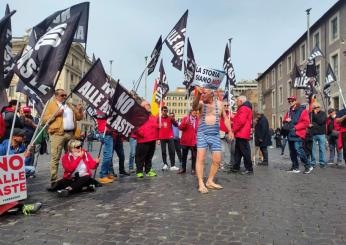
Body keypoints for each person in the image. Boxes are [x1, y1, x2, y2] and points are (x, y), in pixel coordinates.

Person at [192, 87, 231, 194]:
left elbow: (226, 118)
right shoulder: (200, 103)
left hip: (215, 135)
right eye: (202, 93)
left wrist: (230, 130)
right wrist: (198, 95)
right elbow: (194, 107)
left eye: (204, 93)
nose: (203, 94)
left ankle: (209, 181)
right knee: (200, 159)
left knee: (217, 160)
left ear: (212, 93)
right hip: (202, 134)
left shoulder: (220, 104)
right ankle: (201, 183)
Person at [43, 89, 83, 187]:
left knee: (71, 156)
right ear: (56, 96)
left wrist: (79, 109)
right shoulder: (51, 105)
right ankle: (54, 180)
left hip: (70, 134)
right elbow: (44, 120)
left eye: (65, 95)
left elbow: (78, 118)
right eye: (62, 95)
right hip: (57, 134)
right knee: (55, 157)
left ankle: (68, 176)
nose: (65, 97)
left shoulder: (69, 105)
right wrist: (56, 114)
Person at [0, 128, 41, 216]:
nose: (24, 137)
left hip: (14, 170)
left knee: (31, 169)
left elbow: (23, 164)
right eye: (22, 136)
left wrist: (27, 154)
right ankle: (21, 207)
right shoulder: (3, 147)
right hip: (4, 172)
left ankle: (17, 192)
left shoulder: (21, 146)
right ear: (14, 137)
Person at [283, 96, 312, 174]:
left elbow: (306, 122)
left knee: (298, 149)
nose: (290, 102)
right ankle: (295, 167)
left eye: (292, 100)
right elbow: (284, 120)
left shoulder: (302, 110)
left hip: (298, 133)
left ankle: (308, 165)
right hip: (290, 133)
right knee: (292, 152)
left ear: (295, 101)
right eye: (289, 101)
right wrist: (286, 120)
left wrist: (295, 128)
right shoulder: (289, 111)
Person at [134, 101, 158, 178]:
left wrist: (158, 126)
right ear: (143, 107)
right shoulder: (138, 116)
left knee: (149, 156)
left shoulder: (152, 116)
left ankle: (148, 170)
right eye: (147, 105)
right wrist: (141, 133)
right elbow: (135, 126)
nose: (149, 106)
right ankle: (139, 171)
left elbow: (155, 125)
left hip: (152, 139)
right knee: (140, 156)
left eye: (149, 104)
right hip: (143, 139)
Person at [230, 96, 253, 174]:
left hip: (241, 133)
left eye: (237, 101)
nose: (236, 103)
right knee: (238, 152)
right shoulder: (245, 108)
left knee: (245, 152)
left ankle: (249, 169)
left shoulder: (244, 108)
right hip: (241, 133)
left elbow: (241, 121)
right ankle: (236, 167)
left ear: (241, 101)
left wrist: (233, 130)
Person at [96, 112, 115, 184]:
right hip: (105, 133)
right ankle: (103, 175)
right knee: (108, 155)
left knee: (107, 154)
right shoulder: (103, 109)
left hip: (106, 132)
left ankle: (106, 173)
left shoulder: (103, 108)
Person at [177, 110, 198, 175]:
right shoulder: (185, 118)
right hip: (185, 140)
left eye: (196, 112)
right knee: (184, 156)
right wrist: (185, 123)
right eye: (194, 112)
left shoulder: (198, 119)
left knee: (194, 156)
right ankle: (183, 169)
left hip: (194, 140)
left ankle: (193, 169)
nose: (195, 113)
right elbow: (180, 128)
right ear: (190, 112)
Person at [159, 106, 179, 171]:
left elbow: (176, 125)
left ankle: (172, 165)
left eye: (166, 111)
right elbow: (156, 128)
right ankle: (165, 164)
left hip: (170, 136)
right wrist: (157, 139)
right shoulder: (158, 118)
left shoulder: (170, 118)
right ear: (161, 111)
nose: (165, 112)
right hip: (162, 137)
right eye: (164, 110)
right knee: (163, 151)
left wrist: (173, 119)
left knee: (172, 151)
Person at [310, 103, 327, 168]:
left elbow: (321, 121)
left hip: (321, 133)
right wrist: (313, 123)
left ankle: (322, 162)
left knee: (322, 148)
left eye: (317, 107)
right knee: (313, 149)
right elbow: (309, 122)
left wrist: (315, 115)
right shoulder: (311, 114)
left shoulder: (323, 113)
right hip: (313, 133)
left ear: (319, 107)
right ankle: (313, 162)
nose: (316, 109)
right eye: (314, 107)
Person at [219, 101, 235, 171]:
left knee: (232, 150)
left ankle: (231, 163)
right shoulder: (219, 114)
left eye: (227, 105)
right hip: (221, 133)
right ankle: (221, 164)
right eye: (224, 105)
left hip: (229, 133)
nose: (226, 106)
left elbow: (236, 123)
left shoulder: (231, 114)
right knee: (222, 150)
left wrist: (232, 122)